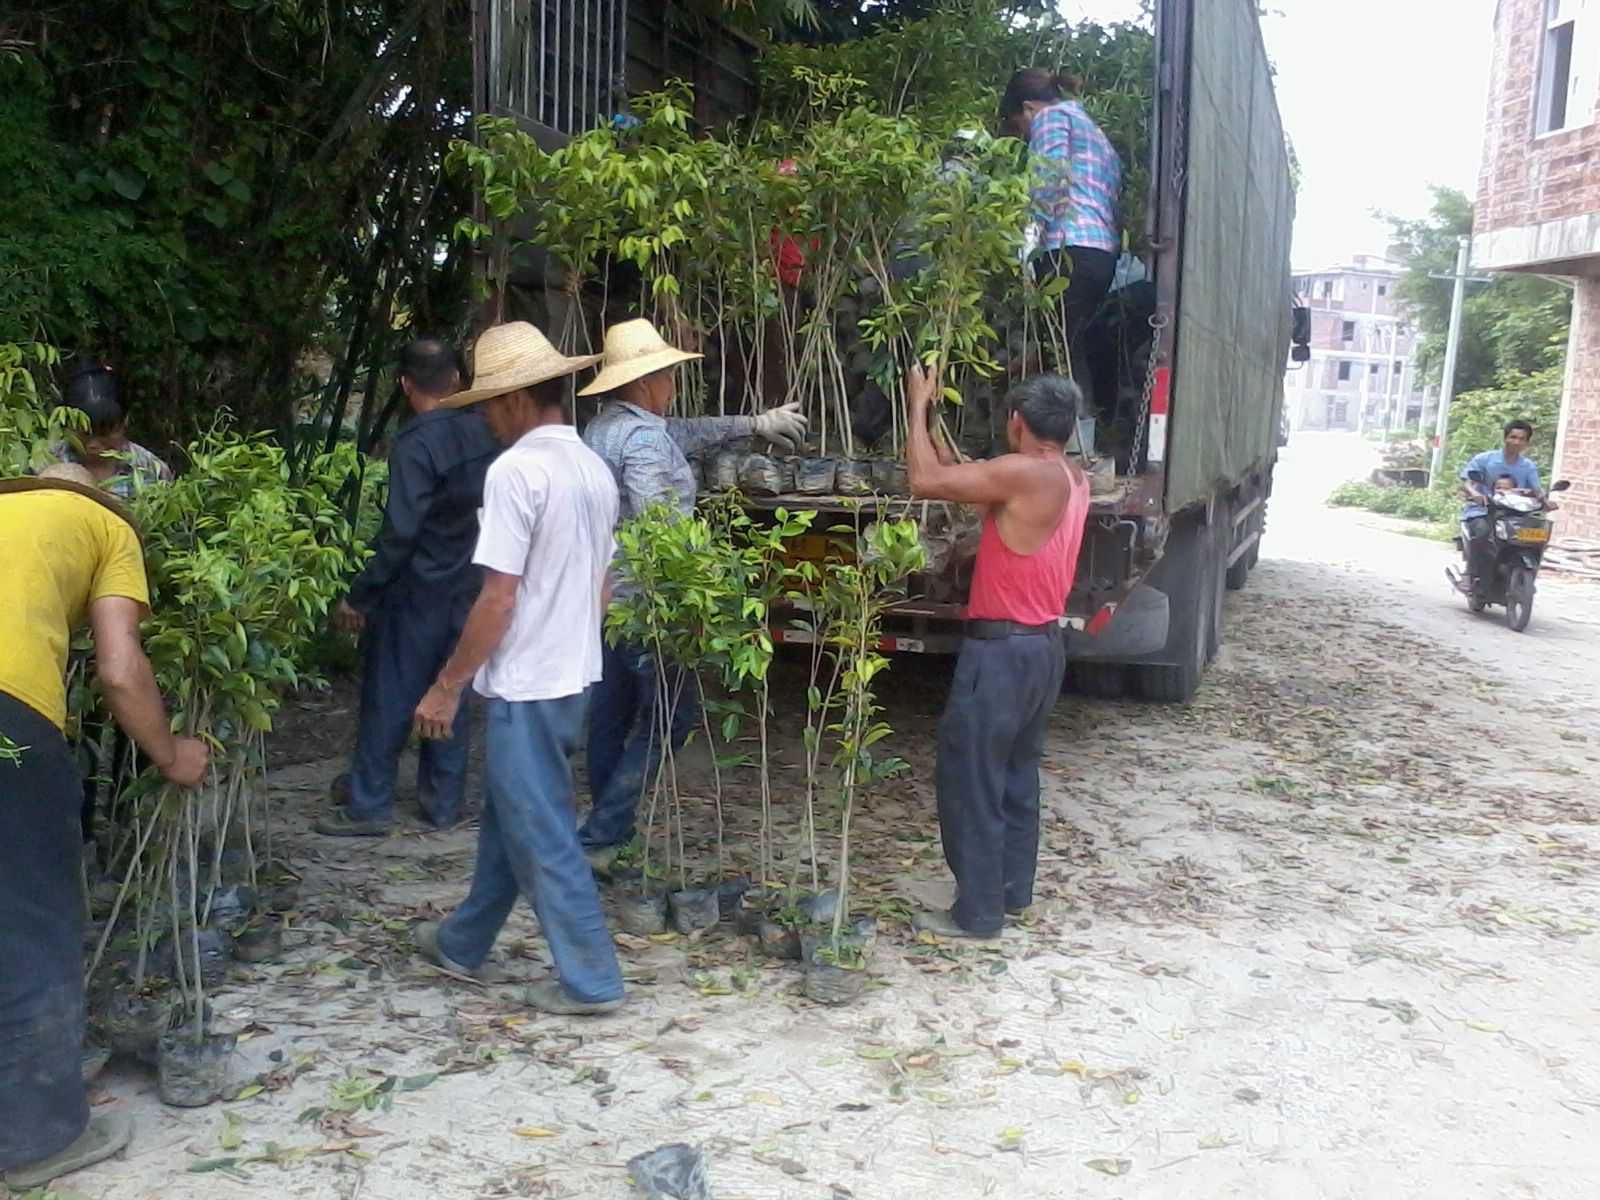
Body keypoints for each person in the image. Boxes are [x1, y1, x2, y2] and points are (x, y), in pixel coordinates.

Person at [406, 321, 626, 1016]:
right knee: (511, 820)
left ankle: (592, 980)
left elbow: (497, 597)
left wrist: (446, 686)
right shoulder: (592, 468)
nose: (488, 418)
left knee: (544, 836)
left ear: (515, 402)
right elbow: (603, 586)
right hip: (572, 675)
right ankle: (463, 942)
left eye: (491, 404)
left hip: (529, 681)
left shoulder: (516, 472)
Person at [0, 464, 208, 1189]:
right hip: (7, 716)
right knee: (30, 918)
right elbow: (120, 669)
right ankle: (36, 1142)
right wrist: (172, 753)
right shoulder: (106, 525)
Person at [574, 319, 809, 867]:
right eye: (669, 371)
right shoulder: (644, 440)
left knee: (612, 712)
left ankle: (611, 828)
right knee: (671, 719)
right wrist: (701, 593)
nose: (676, 378)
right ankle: (605, 830)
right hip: (653, 599)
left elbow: (683, 433)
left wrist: (753, 423)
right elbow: (662, 526)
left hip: (609, 596)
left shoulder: (606, 428)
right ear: (645, 380)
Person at [901, 368, 1089, 939]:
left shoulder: (1023, 474)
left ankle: (977, 915)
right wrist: (933, 422)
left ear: (1017, 423)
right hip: (1042, 648)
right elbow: (955, 475)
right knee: (1014, 774)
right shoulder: (1073, 476)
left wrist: (914, 406)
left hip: (1001, 652)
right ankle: (1009, 891)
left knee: (971, 779)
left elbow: (923, 481)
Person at [317, 337, 501, 836]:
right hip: (471, 586)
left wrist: (362, 593)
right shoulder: (488, 431)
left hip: (416, 591)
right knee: (451, 688)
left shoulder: (416, 442)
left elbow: (402, 530)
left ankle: (370, 804)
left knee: (390, 694)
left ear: (404, 385)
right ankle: (442, 804)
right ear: (458, 381)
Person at [1000, 69, 1122, 410]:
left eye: (1019, 125)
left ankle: (1071, 441)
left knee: (1060, 347)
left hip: (1068, 248)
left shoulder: (1051, 118)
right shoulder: (1092, 130)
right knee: (1071, 344)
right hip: (1100, 252)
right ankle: (1082, 436)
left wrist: (1028, 237)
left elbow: (1047, 180)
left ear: (1028, 109)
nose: (1025, 135)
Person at [52, 364, 174, 500]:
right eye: (84, 434)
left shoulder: (151, 470)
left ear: (124, 422)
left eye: (104, 434)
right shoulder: (46, 464)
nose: (93, 444)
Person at [1456, 419, 1550, 590]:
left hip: (1515, 513)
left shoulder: (1528, 466)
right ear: (1505, 438)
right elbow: (1467, 481)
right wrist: (1475, 493)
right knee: (1483, 534)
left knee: (1537, 535)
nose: (1517, 442)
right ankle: (1470, 573)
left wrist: (1545, 501)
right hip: (1483, 510)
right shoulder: (1484, 459)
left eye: (1522, 439)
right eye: (1513, 437)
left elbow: (1537, 489)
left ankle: (1522, 572)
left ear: (1527, 443)